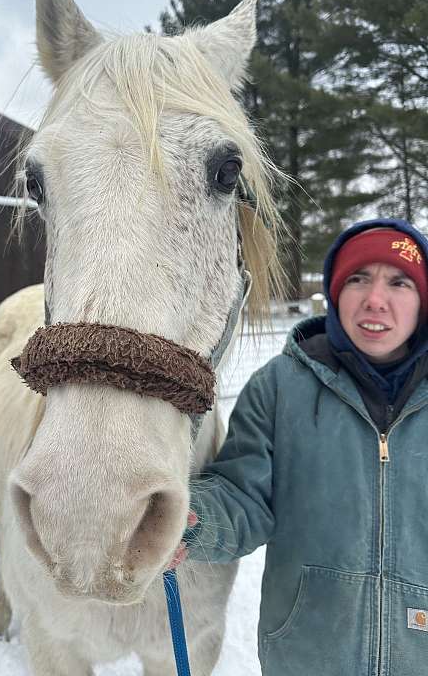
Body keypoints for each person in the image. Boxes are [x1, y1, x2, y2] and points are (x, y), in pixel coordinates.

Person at [179, 218, 428, 676]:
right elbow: (242, 497)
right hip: (307, 655)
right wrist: (187, 519)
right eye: (358, 279)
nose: (376, 299)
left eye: (399, 282)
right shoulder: (279, 389)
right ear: (335, 293)